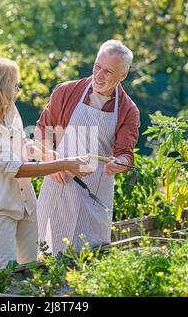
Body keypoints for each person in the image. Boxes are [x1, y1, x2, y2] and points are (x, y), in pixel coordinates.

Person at [0, 57, 93, 268]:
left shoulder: (10, 111)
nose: (18, 89)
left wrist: (46, 153)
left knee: (29, 271)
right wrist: (65, 164)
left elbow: (22, 143)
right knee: (7, 276)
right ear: (1, 86)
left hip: (26, 205)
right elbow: (15, 169)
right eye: (15, 84)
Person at [35, 40, 140, 255]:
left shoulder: (128, 109)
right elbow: (42, 130)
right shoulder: (67, 91)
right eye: (97, 66)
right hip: (59, 184)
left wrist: (121, 163)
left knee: (90, 257)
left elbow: (125, 153)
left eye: (108, 71)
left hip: (94, 192)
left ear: (123, 76)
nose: (99, 75)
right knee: (45, 255)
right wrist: (49, 160)